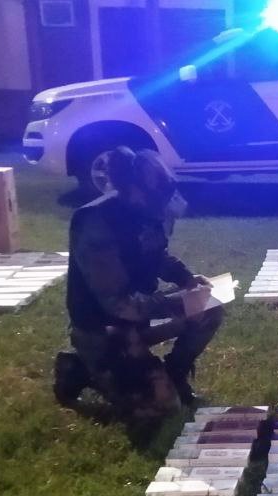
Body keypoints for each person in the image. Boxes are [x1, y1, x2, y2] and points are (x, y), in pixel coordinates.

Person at [53, 147, 224, 422]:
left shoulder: (145, 210)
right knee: (161, 410)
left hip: (140, 319)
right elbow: (120, 305)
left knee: (209, 307)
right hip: (104, 330)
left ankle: (174, 374)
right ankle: (80, 369)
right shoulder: (95, 224)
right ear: (132, 190)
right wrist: (178, 302)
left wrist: (186, 279)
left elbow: (155, 254)